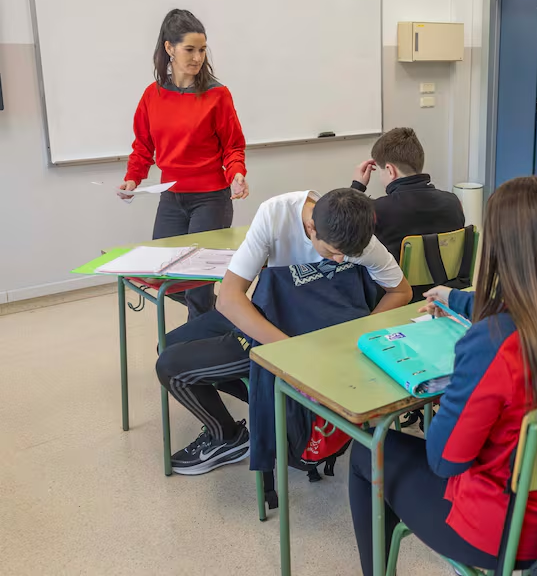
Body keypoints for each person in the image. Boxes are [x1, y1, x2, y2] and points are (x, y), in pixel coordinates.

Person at [348, 176, 537, 575]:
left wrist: (452, 398)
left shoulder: (494, 344)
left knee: (367, 451)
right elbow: (531, 305)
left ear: (497, 248)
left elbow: (445, 460)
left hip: (509, 531)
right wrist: (457, 299)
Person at [155, 188, 411, 476]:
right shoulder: (275, 214)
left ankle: (227, 435)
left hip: (309, 330)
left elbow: (401, 291)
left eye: (347, 255)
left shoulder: (356, 235)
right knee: (168, 344)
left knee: (170, 366)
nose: (340, 260)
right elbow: (228, 299)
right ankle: (275, 406)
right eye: (331, 252)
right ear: (311, 227)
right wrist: (289, 351)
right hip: (277, 320)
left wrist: (357, 337)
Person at [121, 9, 250, 320]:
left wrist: (237, 174)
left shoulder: (217, 95)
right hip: (171, 198)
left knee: (198, 288)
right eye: (190, 49)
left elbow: (233, 146)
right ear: (169, 48)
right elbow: (143, 146)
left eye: (202, 50)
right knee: (164, 276)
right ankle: (220, 318)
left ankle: (200, 336)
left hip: (211, 199)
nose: (197, 58)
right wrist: (133, 178)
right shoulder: (152, 95)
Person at [350, 126, 465, 267]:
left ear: (390, 170)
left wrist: (357, 187)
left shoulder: (377, 210)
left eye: (380, 171)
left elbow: (345, 231)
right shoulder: (453, 202)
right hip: (447, 280)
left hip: (398, 281)